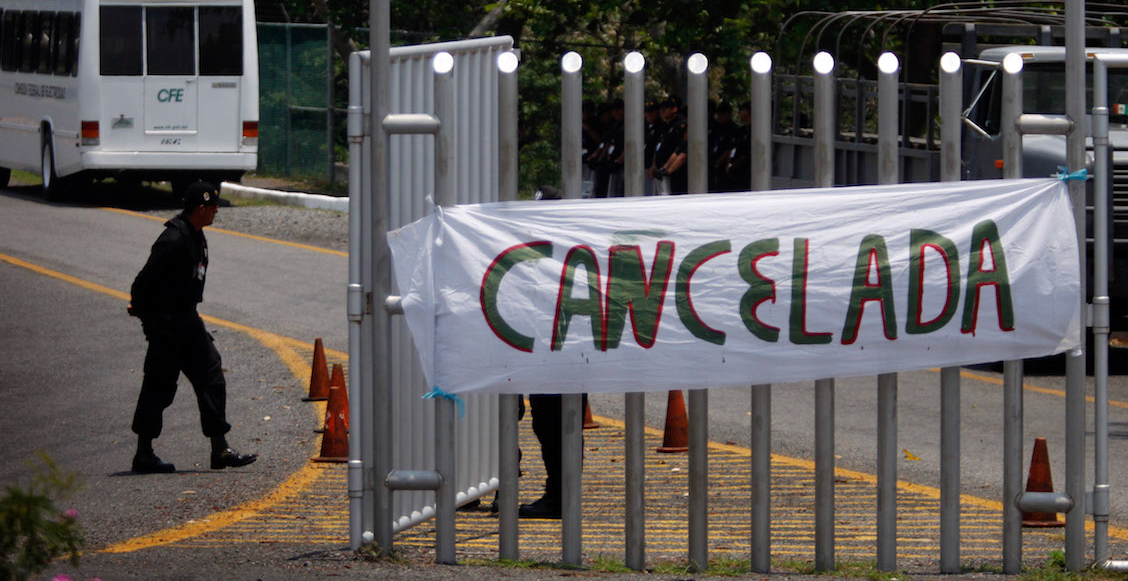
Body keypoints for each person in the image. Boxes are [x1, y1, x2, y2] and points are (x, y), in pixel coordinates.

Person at [127, 181, 257, 474]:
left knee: (212, 377)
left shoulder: (197, 236)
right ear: (201, 208)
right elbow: (142, 285)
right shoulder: (172, 240)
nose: (215, 212)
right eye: (213, 207)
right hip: (167, 326)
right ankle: (144, 453)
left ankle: (220, 448)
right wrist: (150, 319)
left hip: (188, 322)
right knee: (159, 388)